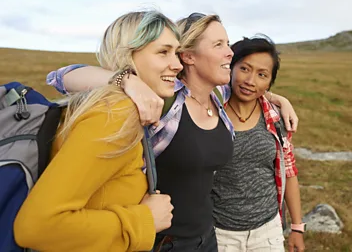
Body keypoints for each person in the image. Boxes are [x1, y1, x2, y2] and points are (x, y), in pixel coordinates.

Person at [45, 13, 299, 252]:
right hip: (163, 241)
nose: (230, 52)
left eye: (228, 43)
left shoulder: (217, 96)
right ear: (188, 56)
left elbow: (250, 88)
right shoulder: (162, 98)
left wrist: (279, 99)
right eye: (219, 44)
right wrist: (128, 81)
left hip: (207, 237)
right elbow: (61, 77)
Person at [13, 10, 179, 252]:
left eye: (176, 52)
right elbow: (37, 226)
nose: (177, 64)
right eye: (163, 52)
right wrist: (145, 220)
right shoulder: (114, 115)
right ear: (127, 55)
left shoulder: (119, 106)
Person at [212, 35, 305, 252]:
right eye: (244, 68)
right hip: (219, 234)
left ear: (270, 81)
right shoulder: (209, 112)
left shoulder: (276, 118)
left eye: (262, 74)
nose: (250, 81)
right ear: (231, 67)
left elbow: (289, 172)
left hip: (268, 233)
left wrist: (297, 227)